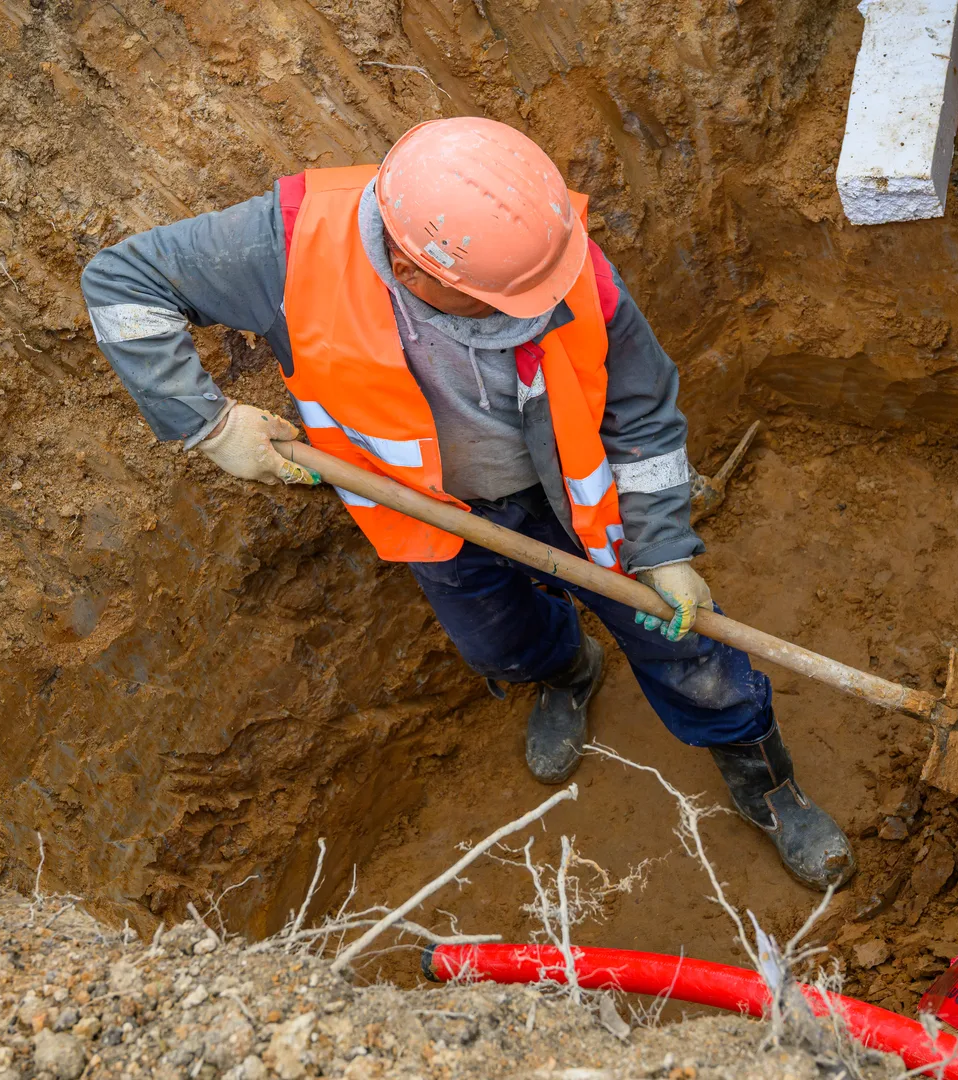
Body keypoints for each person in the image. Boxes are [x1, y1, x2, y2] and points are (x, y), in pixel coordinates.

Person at [80, 117, 853, 890]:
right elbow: (120, 283)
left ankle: (767, 783)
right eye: (499, 306)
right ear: (415, 269)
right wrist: (208, 424)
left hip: (577, 500)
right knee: (499, 646)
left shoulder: (553, 261)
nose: (532, 312)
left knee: (688, 652)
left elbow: (643, 414)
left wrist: (665, 549)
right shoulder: (290, 246)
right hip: (427, 510)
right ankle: (566, 672)